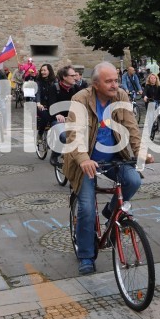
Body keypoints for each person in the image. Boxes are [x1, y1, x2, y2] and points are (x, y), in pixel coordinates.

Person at [62, 62, 153, 275]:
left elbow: (131, 127)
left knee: (134, 180)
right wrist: (84, 159)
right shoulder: (80, 99)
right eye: (109, 81)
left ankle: (111, 212)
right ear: (95, 84)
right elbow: (75, 134)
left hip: (114, 157)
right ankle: (86, 254)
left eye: (116, 80)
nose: (115, 85)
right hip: (85, 160)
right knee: (86, 207)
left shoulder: (121, 96)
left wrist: (141, 152)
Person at [49, 66, 87, 166]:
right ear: (64, 77)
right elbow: (51, 105)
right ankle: (55, 154)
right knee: (64, 136)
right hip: (59, 119)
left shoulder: (76, 88)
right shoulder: (55, 87)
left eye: (75, 75)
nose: (75, 77)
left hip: (72, 119)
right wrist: (57, 114)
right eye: (72, 75)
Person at [35, 63, 56, 139]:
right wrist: (38, 103)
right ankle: (40, 134)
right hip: (41, 104)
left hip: (51, 104)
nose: (43, 72)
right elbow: (38, 92)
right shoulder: (39, 81)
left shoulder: (54, 81)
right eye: (41, 70)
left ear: (49, 71)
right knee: (45, 115)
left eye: (45, 70)